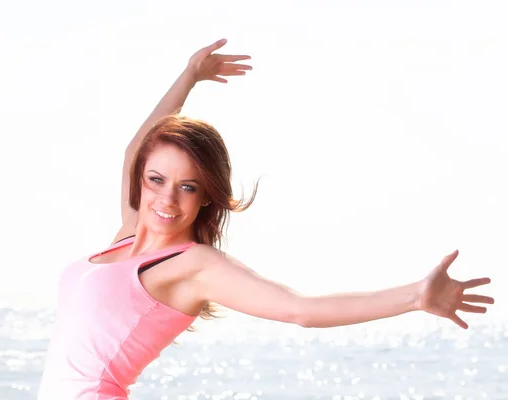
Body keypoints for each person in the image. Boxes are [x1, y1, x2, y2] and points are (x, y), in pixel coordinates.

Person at [37, 39, 494, 400]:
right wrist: (190, 76)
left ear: (206, 197)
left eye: (188, 187)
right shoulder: (128, 235)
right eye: (157, 179)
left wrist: (415, 296)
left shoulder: (192, 266)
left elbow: (300, 309)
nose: (168, 198)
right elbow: (133, 151)